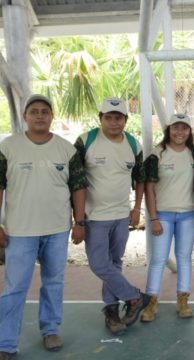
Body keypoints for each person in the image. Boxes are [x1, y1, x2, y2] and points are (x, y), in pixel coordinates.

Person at [0, 94, 87, 358]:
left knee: (54, 281)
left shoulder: (66, 149)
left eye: (45, 112)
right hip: (20, 231)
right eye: (34, 111)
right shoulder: (8, 147)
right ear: (25, 116)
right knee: (15, 286)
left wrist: (79, 222)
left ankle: (50, 329)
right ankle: (5, 342)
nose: (40, 116)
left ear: (51, 117)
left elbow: (78, 187)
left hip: (58, 229)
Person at [74, 97, 150, 335]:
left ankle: (111, 312)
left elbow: (140, 178)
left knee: (114, 264)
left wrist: (137, 208)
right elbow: (74, 181)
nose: (114, 122)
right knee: (99, 264)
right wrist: (78, 218)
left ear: (126, 120)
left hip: (121, 215)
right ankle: (135, 296)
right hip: (94, 216)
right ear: (100, 118)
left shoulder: (133, 144)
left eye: (119, 118)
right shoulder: (86, 141)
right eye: (109, 117)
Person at [140, 114, 194, 322]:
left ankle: (183, 300)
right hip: (162, 215)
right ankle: (150, 303)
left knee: (184, 258)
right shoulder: (157, 154)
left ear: (189, 131)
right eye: (176, 128)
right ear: (169, 130)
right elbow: (149, 189)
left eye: (184, 128)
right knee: (157, 259)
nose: (179, 132)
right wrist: (154, 218)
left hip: (189, 215)